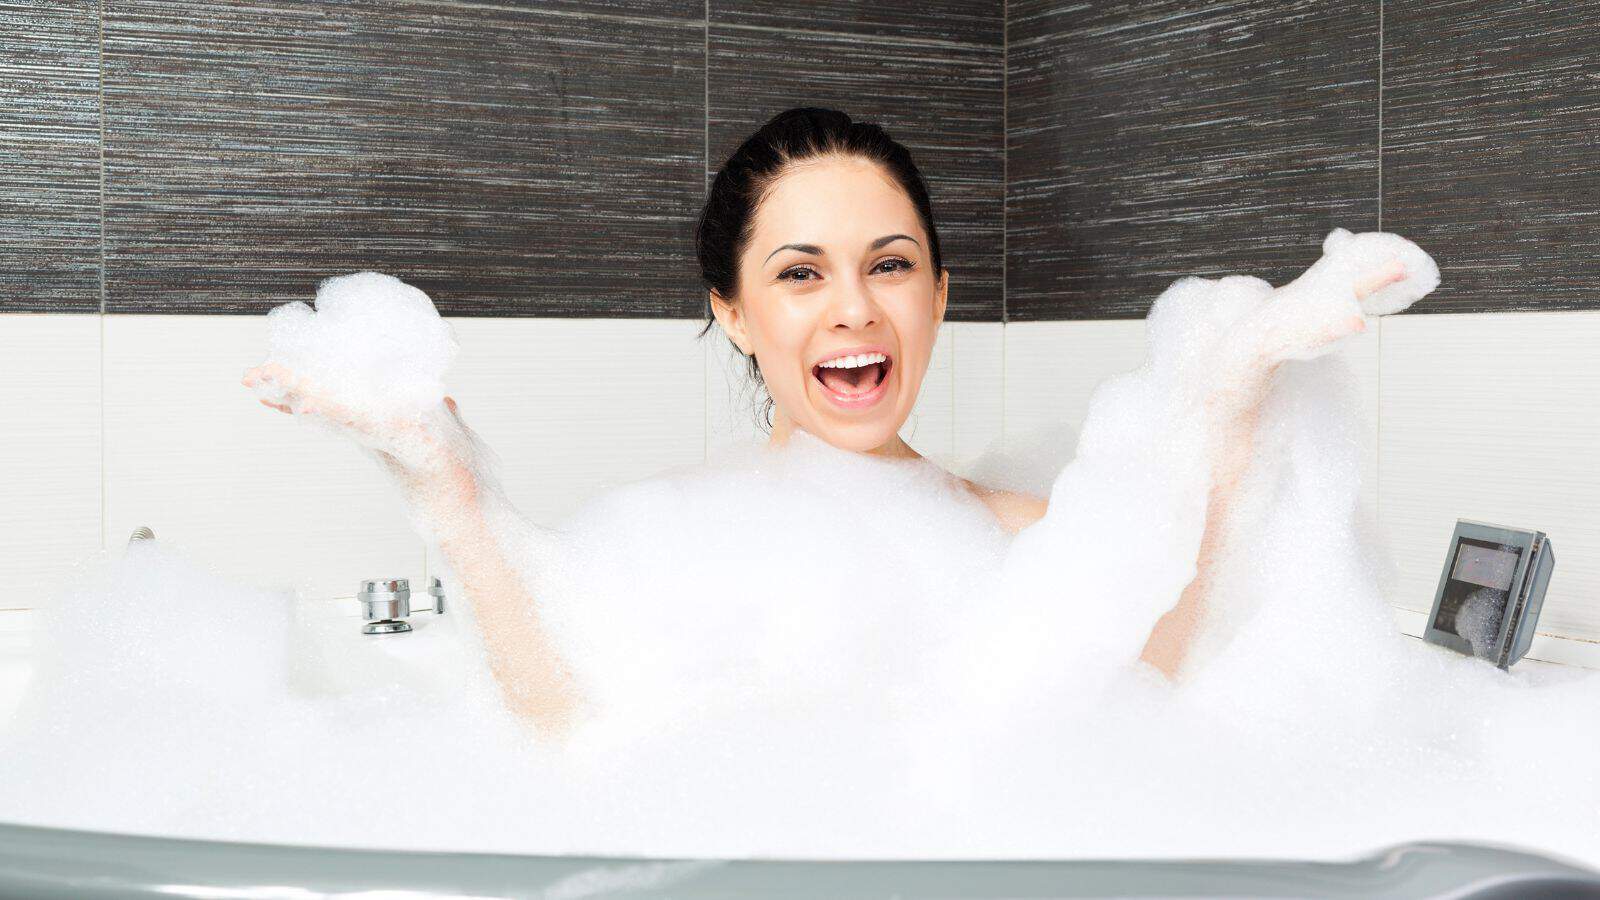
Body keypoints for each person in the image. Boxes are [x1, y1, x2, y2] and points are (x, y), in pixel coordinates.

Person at [242, 106, 1417, 738]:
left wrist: (1230, 387)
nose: (853, 308)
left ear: (938, 294)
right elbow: (557, 728)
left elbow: (1150, 686)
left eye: (889, 265)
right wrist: (448, 493)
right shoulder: (663, 541)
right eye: (800, 274)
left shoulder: (1038, 539)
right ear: (734, 311)